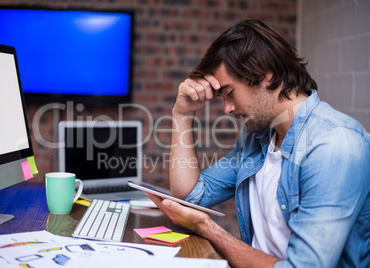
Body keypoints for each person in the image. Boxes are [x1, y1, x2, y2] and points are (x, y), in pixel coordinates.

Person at [146, 18, 370, 267]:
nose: (227, 109)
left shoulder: (333, 146)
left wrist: (209, 229)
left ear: (266, 76)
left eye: (230, 93)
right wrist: (182, 114)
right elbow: (191, 196)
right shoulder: (259, 136)